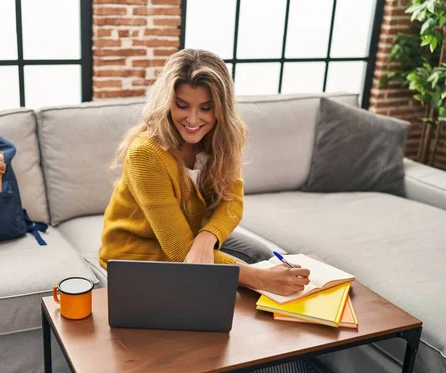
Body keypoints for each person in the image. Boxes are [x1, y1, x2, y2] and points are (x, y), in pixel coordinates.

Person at [98, 49, 310, 296]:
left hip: (194, 233)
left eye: (206, 108)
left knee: (262, 257)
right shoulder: (146, 154)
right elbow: (180, 252)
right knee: (241, 283)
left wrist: (207, 237)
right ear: (167, 103)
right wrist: (258, 278)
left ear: (221, 107)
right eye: (182, 105)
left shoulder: (225, 137)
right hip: (138, 250)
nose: (193, 119)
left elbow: (232, 201)